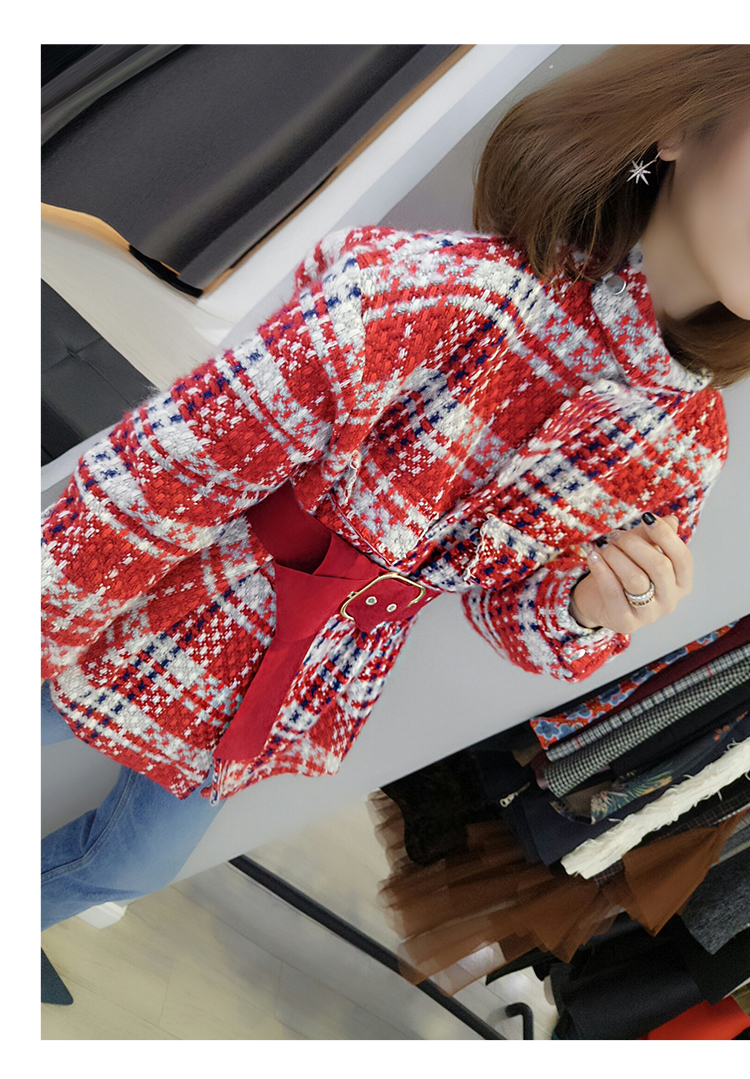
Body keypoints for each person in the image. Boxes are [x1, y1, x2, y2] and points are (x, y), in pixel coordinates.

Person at [41, 44, 750, 943]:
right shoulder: (455, 288)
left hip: (311, 668)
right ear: (682, 122)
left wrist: (589, 608)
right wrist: (45, 608)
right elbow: (176, 465)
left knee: (133, 863)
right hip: (191, 591)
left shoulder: (687, 442)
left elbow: (513, 614)